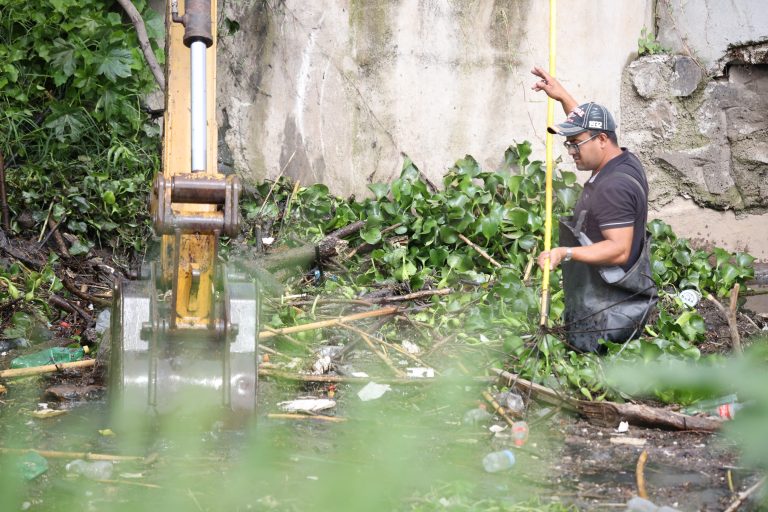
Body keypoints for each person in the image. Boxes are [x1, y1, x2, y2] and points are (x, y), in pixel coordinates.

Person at [530, 66, 657, 352]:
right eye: (569, 143)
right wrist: (563, 97)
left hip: (609, 307)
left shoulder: (613, 188)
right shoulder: (623, 160)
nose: (571, 151)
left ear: (601, 140)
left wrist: (565, 253)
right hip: (606, 295)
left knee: (586, 352)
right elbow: (588, 131)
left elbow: (619, 250)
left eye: (575, 144)